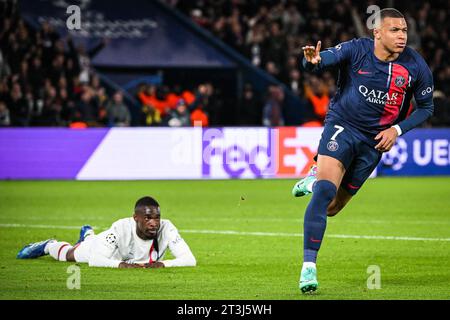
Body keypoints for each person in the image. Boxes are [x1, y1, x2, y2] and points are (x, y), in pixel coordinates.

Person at [292, 8, 434, 293]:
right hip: (343, 126)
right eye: (394, 30)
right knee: (324, 193)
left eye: (404, 30)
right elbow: (321, 61)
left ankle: (315, 174)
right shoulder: (357, 50)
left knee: (332, 209)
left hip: (374, 142)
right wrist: (312, 63)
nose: (402, 36)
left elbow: (427, 107)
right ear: (377, 32)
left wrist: (397, 130)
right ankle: (309, 267)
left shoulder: (416, 66)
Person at [17, 196, 196, 268]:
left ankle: (88, 234)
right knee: (70, 255)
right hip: (102, 249)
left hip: (108, 247)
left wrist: (165, 264)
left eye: (156, 218)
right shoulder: (120, 228)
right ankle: (49, 245)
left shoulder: (167, 227)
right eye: (148, 218)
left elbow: (190, 260)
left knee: (87, 241)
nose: (154, 223)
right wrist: (119, 265)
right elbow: (96, 260)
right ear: (136, 218)